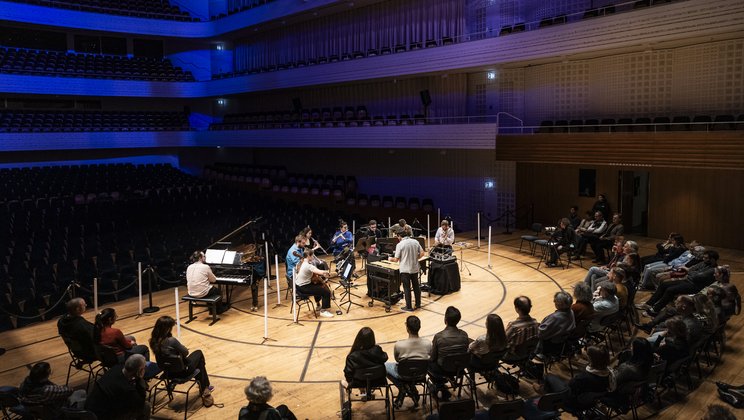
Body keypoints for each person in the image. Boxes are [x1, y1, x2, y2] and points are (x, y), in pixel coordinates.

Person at [526, 346, 611, 417]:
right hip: (590, 402)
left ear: (592, 359)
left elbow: (570, 387)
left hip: (572, 402)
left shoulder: (583, 378)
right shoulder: (608, 374)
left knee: (549, 377)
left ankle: (544, 391)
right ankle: (546, 392)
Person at [149, 316, 214, 407]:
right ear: (167, 329)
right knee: (199, 355)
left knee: (198, 364)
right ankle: (205, 389)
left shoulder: (153, 341)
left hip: (168, 373)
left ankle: (201, 386)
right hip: (182, 372)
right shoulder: (171, 341)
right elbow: (186, 352)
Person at [640, 249, 719, 315]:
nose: (703, 259)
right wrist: (692, 272)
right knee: (664, 284)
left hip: (695, 286)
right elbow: (691, 269)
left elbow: (696, 276)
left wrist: (691, 273)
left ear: (712, 259)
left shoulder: (712, 270)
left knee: (670, 290)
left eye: (706, 258)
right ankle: (649, 304)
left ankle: (655, 310)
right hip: (688, 280)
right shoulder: (703, 263)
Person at [386, 315, 432, 408]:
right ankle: (410, 388)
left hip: (403, 374)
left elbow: (397, 360)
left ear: (407, 328)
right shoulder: (428, 343)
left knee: (384, 365)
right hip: (421, 374)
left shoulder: (399, 345)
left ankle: (402, 387)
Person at [85, 354, 150, 420]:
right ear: (139, 371)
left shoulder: (116, 368)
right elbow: (140, 403)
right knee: (146, 407)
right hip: (102, 417)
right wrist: (140, 379)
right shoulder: (127, 389)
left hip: (88, 410)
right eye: (144, 367)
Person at [429, 306, 469, 401]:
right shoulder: (464, 335)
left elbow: (433, 358)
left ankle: (439, 384)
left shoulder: (439, 337)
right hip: (459, 368)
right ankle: (445, 382)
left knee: (427, 362)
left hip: (443, 369)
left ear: (445, 319)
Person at [19, 362, 84, 417]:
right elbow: (69, 390)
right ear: (44, 376)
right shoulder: (47, 390)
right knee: (81, 392)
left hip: (36, 409)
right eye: (49, 371)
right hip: (55, 410)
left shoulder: (24, 384)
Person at [389, 229, 425, 312]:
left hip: (405, 270)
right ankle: (418, 304)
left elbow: (396, 259)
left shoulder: (400, 244)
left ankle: (408, 307)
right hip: (415, 268)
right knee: (416, 286)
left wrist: (389, 258)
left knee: (407, 288)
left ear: (399, 236)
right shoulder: (415, 241)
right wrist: (416, 259)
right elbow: (422, 253)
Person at [295, 249, 334, 318]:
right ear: (308, 256)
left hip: (298, 286)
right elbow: (319, 272)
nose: (313, 257)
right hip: (303, 288)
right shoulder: (308, 265)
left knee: (318, 286)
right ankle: (323, 311)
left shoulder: (303, 263)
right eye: (312, 255)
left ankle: (318, 305)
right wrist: (328, 272)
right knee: (326, 291)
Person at [536, 291, 575, 356]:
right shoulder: (571, 311)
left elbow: (540, 333)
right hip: (563, 343)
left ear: (560, 304)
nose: (554, 301)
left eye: (555, 301)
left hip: (551, 345)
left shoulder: (555, 317)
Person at [503, 296, 540, 362]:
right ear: (530, 308)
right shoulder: (536, 323)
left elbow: (503, 342)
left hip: (511, 356)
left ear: (517, 309)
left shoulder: (514, 326)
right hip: (529, 353)